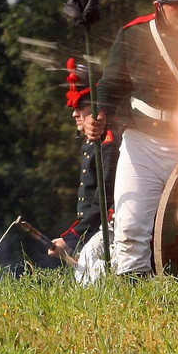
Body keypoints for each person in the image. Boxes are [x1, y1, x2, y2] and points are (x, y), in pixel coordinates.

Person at [83, 0, 178, 277]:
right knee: (130, 230)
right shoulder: (135, 36)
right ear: (159, 4)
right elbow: (110, 85)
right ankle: (133, 302)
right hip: (145, 145)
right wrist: (99, 116)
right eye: (175, 3)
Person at [48, 58, 121, 282]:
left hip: (112, 227)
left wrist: (72, 237)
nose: (74, 114)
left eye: (81, 107)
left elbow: (104, 198)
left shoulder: (109, 141)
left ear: (98, 107)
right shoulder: (93, 143)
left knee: (91, 272)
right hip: (94, 229)